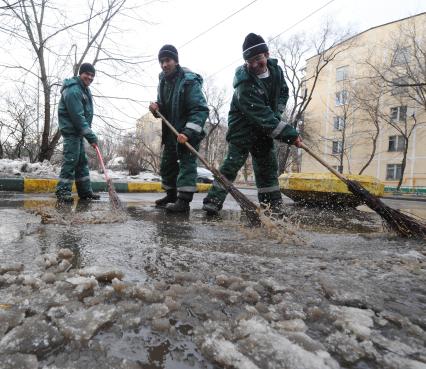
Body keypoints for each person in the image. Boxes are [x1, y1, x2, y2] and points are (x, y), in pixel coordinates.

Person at [202, 33, 302, 215]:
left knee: (267, 167)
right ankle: (213, 201)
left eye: (258, 58)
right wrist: (290, 135)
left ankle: (271, 206)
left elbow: (284, 92)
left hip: (265, 127)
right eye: (250, 61)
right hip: (243, 128)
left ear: (267, 54)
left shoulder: (276, 72)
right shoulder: (244, 84)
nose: (255, 65)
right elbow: (262, 116)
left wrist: (277, 112)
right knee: (231, 166)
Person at [149, 44, 209, 213]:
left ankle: (183, 201)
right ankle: (171, 195)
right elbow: (165, 107)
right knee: (167, 166)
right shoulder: (163, 81)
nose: (164, 64)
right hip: (171, 133)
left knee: (186, 165)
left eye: (167, 60)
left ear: (176, 61)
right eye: (161, 61)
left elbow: (200, 109)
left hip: (187, 133)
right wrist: (156, 107)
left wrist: (188, 132)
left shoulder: (189, 81)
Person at [56, 63, 100, 203]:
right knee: (71, 161)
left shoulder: (84, 90)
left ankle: (85, 192)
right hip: (71, 132)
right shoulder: (74, 90)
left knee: (81, 162)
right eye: (87, 74)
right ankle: (62, 191)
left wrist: (86, 134)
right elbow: (78, 117)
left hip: (78, 133)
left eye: (92, 75)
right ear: (80, 74)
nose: (90, 77)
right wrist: (90, 136)